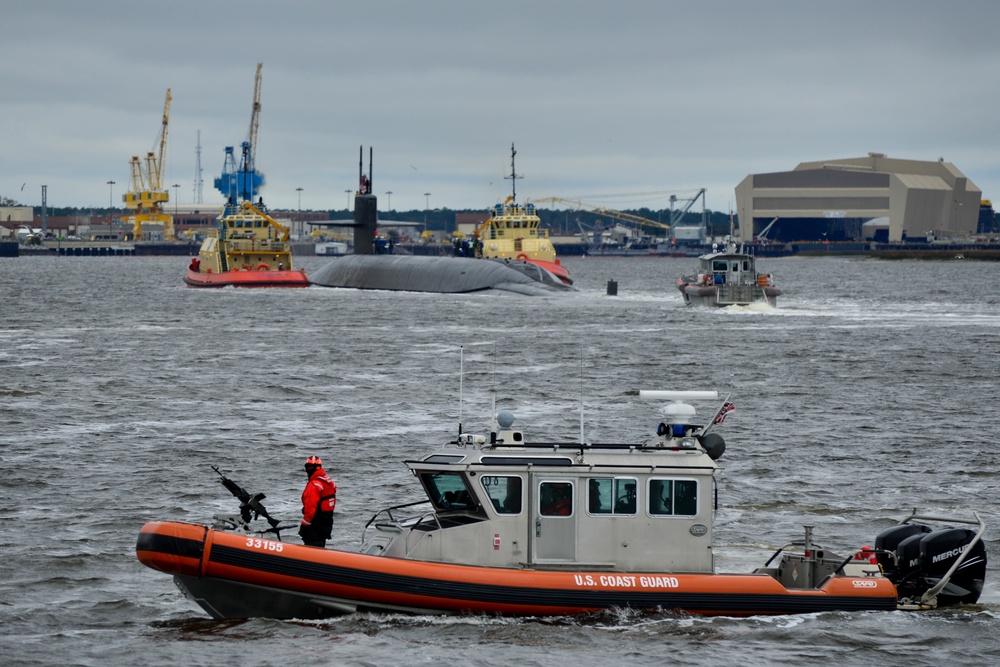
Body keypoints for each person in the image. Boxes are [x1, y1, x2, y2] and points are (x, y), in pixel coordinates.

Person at [299, 455, 337, 547]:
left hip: (314, 526)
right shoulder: (329, 482)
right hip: (326, 524)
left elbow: (310, 510)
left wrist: (303, 526)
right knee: (320, 547)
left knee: (311, 551)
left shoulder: (314, 485)